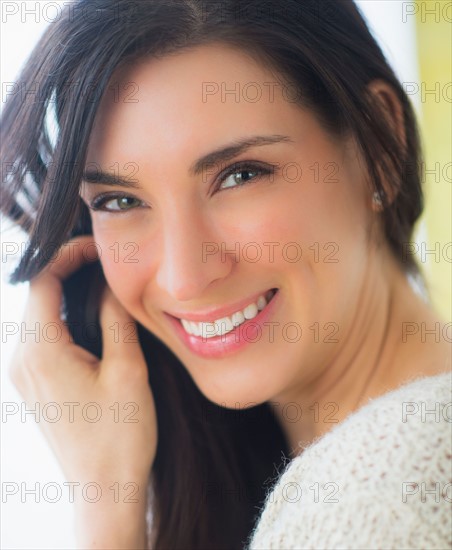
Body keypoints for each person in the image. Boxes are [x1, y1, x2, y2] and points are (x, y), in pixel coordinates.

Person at [2, 1, 450, 549]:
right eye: (120, 200)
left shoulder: (372, 505)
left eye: (240, 175)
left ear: (381, 143)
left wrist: (105, 508)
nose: (184, 277)